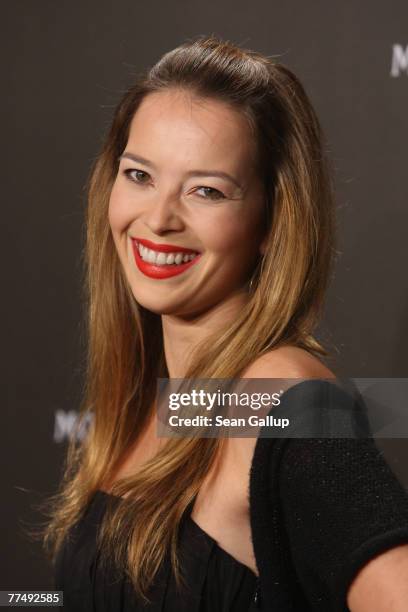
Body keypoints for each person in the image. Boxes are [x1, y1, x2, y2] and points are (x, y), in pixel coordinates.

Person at [40, 35, 408, 610]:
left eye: (206, 191)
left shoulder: (277, 396)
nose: (159, 218)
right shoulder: (167, 399)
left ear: (270, 223)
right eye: (139, 175)